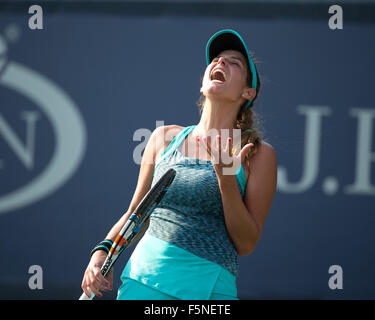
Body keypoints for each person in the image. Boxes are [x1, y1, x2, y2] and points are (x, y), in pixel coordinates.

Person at [81, 29, 277, 300]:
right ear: (202, 83)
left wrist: (226, 180)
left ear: (248, 91)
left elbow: (246, 243)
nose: (220, 63)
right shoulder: (163, 138)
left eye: (234, 62)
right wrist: (102, 251)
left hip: (209, 292)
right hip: (142, 281)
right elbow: (136, 213)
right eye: (217, 59)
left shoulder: (258, 154)